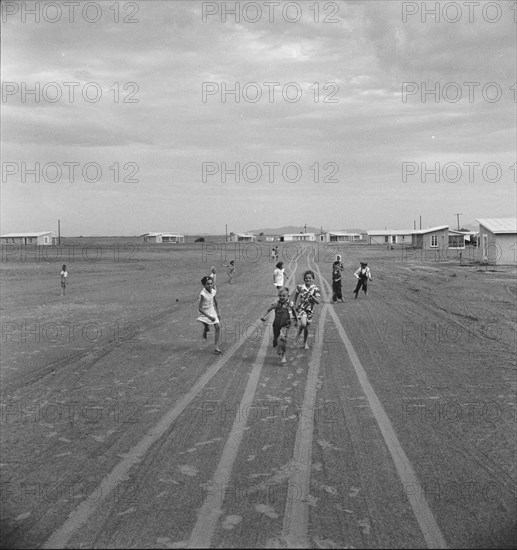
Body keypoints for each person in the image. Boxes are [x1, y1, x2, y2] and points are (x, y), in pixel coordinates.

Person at [261, 286, 298, 364]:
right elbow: (268, 309)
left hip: (286, 325)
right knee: (277, 339)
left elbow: (294, 312)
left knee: (282, 340)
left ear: (288, 296)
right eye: (280, 296)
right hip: (276, 325)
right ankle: (276, 343)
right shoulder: (276, 304)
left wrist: (296, 320)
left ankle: (283, 356)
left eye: (284, 296)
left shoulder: (290, 304)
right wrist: (263, 316)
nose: (282, 297)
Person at [293, 270, 321, 350]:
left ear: (313, 279)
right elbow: (296, 295)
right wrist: (294, 303)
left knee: (306, 329)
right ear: (304, 279)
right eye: (306, 278)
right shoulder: (300, 287)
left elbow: (318, 301)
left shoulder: (316, 289)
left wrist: (313, 298)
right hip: (302, 308)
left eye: (309, 278)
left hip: (310, 310)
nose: (308, 279)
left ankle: (305, 343)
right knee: (303, 323)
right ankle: (298, 335)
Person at [196, 276, 222, 354]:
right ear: (204, 285)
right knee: (207, 326)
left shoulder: (213, 291)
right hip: (204, 312)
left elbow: (215, 302)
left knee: (217, 327)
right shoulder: (202, 294)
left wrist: (218, 313)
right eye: (208, 284)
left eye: (211, 284)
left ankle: (216, 347)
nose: (210, 285)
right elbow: (200, 308)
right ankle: (205, 330)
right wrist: (209, 317)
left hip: (212, 310)